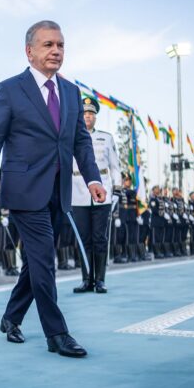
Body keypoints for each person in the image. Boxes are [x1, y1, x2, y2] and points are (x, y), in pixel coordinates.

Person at [0, 20, 106, 357]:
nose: (56, 51)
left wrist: (93, 179)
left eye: (60, 45)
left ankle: (11, 317)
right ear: (29, 51)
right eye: (48, 45)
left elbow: (80, 140)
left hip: (58, 191)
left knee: (35, 262)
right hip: (23, 189)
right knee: (44, 259)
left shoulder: (72, 92)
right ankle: (57, 333)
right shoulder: (9, 89)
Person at [70, 97, 121, 294]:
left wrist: (116, 191)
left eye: (91, 113)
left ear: (95, 117)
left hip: (103, 192)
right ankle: (86, 279)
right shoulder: (72, 137)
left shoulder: (106, 138)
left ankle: (100, 280)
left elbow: (115, 166)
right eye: (84, 113)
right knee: (84, 239)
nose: (88, 116)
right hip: (78, 192)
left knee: (100, 238)